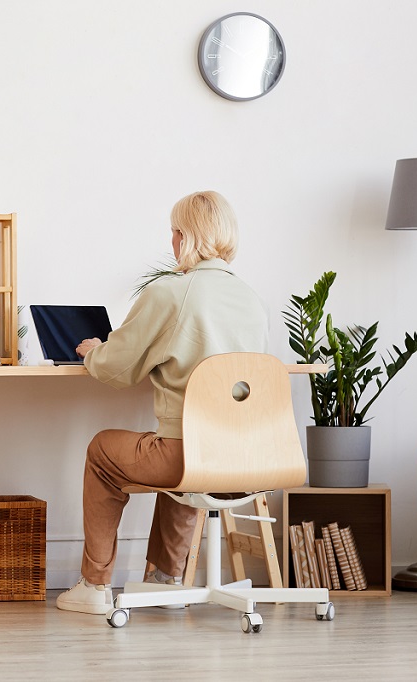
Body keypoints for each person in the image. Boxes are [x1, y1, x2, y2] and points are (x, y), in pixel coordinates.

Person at [55, 190, 269, 615]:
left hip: (188, 458)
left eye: (173, 232)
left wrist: (96, 349)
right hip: (251, 458)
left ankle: (95, 585)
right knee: (188, 445)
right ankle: (165, 579)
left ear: (183, 236)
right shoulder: (251, 299)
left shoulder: (172, 292)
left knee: (104, 450)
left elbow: (117, 370)